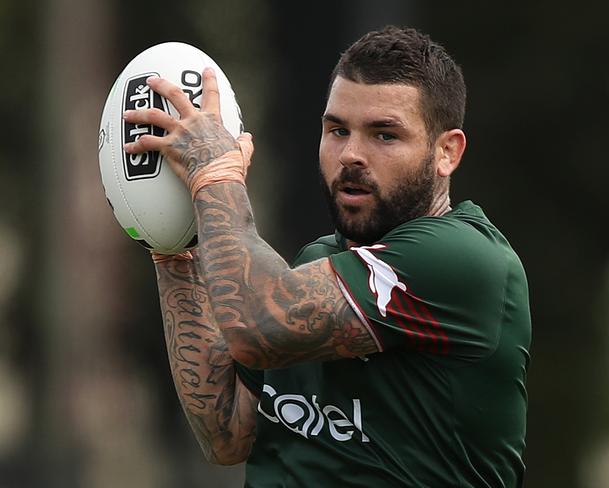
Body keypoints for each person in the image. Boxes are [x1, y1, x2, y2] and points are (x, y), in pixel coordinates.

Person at [124, 25, 531, 487]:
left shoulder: (463, 260)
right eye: (337, 130)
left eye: (384, 135)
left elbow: (256, 327)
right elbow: (227, 433)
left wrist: (216, 176)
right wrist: (176, 243)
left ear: (447, 152)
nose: (351, 154)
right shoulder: (317, 263)